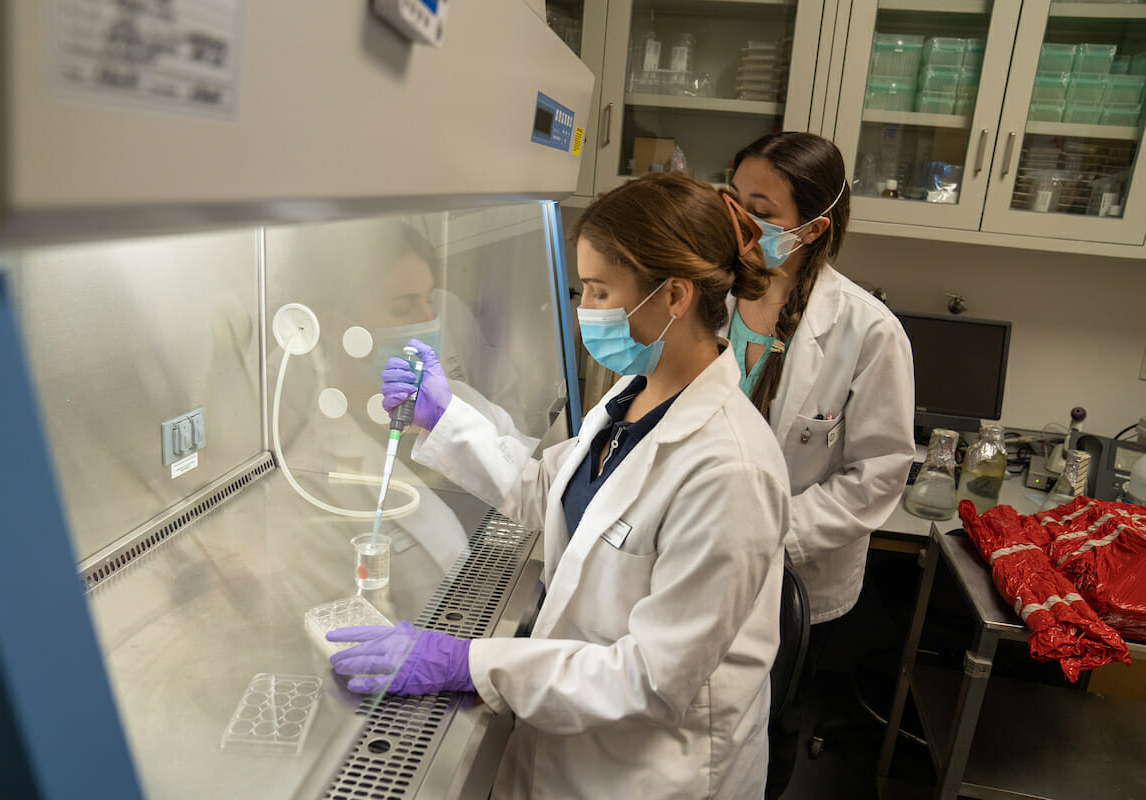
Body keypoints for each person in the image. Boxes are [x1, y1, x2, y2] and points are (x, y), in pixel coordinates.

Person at [326, 172, 791, 799]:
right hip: (571, 746)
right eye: (584, 289)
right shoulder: (635, 399)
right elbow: (552, 490)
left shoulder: (730, 468)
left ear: (675, 295)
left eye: (600, 291)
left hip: (648, 774)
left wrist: (465, 663)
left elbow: (651, 680)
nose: (586, 311)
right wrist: (446, 417)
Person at [726, 131, 916, 797]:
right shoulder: (702, 294)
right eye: (733, 198)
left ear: (813, 228)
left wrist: (770, 536)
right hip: (699, 554)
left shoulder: (868, 331)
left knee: (767, 724)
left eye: (761, 208)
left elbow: (880, 473)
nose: (740, 220)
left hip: (792, 576)